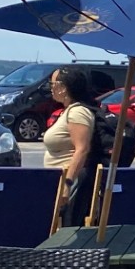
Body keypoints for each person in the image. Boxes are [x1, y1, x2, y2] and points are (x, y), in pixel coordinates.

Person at [42, 65, 99, 228]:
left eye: (52, 84)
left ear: (63, 87)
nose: (51, 88)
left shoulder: (78, 112)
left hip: (70, 183)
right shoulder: (69, 111)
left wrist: (67, 184)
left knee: (66, 230)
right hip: (59, 181)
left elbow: (82, 149)